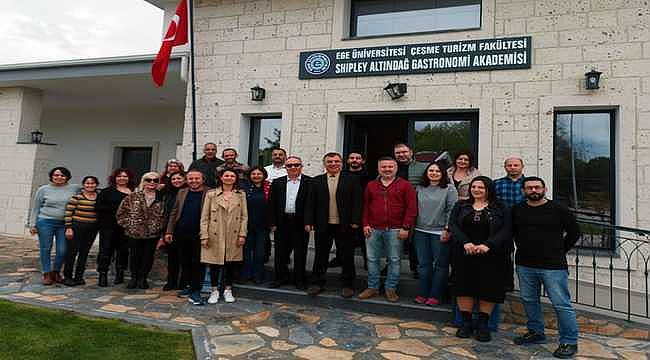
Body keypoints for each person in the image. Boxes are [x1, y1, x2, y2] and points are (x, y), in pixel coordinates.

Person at [512, 176, 581, 359]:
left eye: (537, 187)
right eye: (529, 188)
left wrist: (560, 250)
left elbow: (575, 232)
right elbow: (511, 232)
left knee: (561, 304)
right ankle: (536, 332)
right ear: (523, 191)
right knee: (529, 300)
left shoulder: (558, 209)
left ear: (544, 189)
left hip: (553, 266)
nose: (533, 190)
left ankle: (569, 340)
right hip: (525, 264)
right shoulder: (517, 210)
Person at [449, 176, 511, 342]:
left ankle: (483, 324)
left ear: (488, 189)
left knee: (488, 289)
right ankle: (466, 323)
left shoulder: (500, 207)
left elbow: (506, 229)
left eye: (481, 187)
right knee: (464, 287)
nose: (476, 190)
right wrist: (465, 242)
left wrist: (488, 244)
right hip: (464, 254)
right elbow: (453, 225)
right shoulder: (461, 205)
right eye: (474, 187)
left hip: (491, 255)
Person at [358, 157, 417, 303]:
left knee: (395, 260)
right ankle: (372, 287)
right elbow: (365, 206)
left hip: (396, 229)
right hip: (373, 228)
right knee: (372, 259)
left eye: (390, 166)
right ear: (378, 169)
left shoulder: (405, 185)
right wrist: (365, 224)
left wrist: (405, 227)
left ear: (396, 168)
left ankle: (390, 289)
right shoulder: (371, 185)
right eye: (383, 167)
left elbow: (412, 208)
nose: (387, 169)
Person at [305, 152, 362, 298]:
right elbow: (310, 203)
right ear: (325, 164)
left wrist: (356, 221)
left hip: (345, 224)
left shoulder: (352, 180)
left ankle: (348, 285)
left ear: (341, 163)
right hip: (323, 224)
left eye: (336, 161)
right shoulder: (316, 181)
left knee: (346, 255)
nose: (333, 164)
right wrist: (309, 221)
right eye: (329, 162)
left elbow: (357, 202)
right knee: (321, 255)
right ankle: (317, 283)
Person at [200, 169, 248, 304]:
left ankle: (228, 290)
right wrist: (204, 235)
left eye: (232, 176)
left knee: (230, 263)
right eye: (226, 175)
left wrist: (242, 234)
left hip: (234, 234)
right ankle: (214, 290)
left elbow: (244, 216)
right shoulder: (211, 194)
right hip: (215, 233)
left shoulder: (241, 194)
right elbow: (205, 217)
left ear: (235, 178)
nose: (229, 177)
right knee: (214, 263)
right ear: (221, 178)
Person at [413, 161, 458, 306]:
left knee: (440, 265)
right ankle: (423, 293)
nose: (434, 173)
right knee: (423, 265)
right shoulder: (419, 188)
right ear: (426, 173)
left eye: (437, 171)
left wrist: (447, 229)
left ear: (443, 174)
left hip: (440, 232)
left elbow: (452, 210)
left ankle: (435, 295)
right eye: (431, 171)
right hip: (420, 231)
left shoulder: (449, 189)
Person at [29, 167, 81, 285]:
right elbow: (36, 207)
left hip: (65, 224)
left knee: (62, 250)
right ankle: (47, 273)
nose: (59, 177)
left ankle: (56, 272)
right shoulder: (43, 189)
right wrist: (32, 224)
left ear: (67, 177)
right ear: (51, 176)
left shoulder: (74, 188)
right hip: (45, 222)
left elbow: (91, 188)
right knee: (45, 248)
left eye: (62, 175)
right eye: (56, 175)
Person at [164, 170, 208, 305]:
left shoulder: (210, 193)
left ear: (203, 179)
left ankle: (196, 289)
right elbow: (174, 213)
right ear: (186, 180)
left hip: (200, 234)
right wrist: (169, 231)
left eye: (197, 178)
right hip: (181, 232)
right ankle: (189, 287)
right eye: (190, 178)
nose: (193, 181)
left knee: (198, 263)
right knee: (185, 261)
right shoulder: (182, 192)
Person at [268, 156, 312, 290]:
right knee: (280, 252)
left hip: (301, 223)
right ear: (285, 168)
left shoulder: (310, 182)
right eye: (290, 165)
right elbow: (272, 204)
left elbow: (311, 204)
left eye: (296, 165)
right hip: (282, 222)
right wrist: (272, 222)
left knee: (300, 253)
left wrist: (309, 222)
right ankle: (280, 278)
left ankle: (299, 280)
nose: (293, 168)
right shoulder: (277, 182)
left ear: (301, 166)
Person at [116, 172, 165, 290]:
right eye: (149, 180)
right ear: (144, 181)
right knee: (134, 256)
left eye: (155, 180)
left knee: (148, 257)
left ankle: (143, 278)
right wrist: (130, 225)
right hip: (134, 233)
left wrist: (159, 227)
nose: (152, 182)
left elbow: (166, 215)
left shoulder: (162, 198)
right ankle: (134, 277)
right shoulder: (133, 196)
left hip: (152, 234)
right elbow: (121, 213)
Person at [95, 168, 135, 287]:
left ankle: (120, 273)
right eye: (119, 176)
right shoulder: (106, 192)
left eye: (125, 176)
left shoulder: (134, 192)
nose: (122, 178)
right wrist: (118, 209)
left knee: (123, 251)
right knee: (106, 250)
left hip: (126, 227)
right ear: (114, 178)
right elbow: (98, 207)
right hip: (108, 226)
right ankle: (103, 274)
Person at [394, 143, 427, 279]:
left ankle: (416, 267)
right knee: (394, 240)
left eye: (404, 152)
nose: (401, 155)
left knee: (414, 241)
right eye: (398, 153)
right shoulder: (391, 167)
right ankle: (391, 266)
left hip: (416, 209)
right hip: (394, 209)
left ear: (411, 152)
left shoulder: (423, 168)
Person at [62, 176, 100, 286]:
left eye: (92, 183)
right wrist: (68, 228)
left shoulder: (99, 197)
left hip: (92, 229)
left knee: (84, 253)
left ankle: (79, 276)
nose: (90, 185)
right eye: (87, 183)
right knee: (72, 253)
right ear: (83, 185)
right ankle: (68, 277)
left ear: (96, 185)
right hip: (76, 227)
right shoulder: (76, 197)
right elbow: (68, 212)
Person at [242, 166, 271, 284]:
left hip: (263, 226)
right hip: (247, 225)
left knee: (260, 253)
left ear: (264, 175)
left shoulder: (269, 187)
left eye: (259, 174)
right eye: (253, 174)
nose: (256, 176)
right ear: (250, 176)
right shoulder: (244, 188)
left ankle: (258, 275)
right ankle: (246, 275)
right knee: (246, 252)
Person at [160, 171, 187, 291]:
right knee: (172, 258)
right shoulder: (168, 194)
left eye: (179, 178)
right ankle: (171, 281)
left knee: (185, 257)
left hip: (184, 228)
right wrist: (165, 231)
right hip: (170, 229)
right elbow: (166, 213)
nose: (176, 181)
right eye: (174, 179)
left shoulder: (188, 192)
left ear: (184, 179)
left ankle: (183, 282)